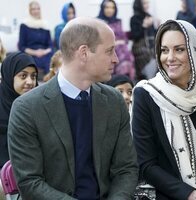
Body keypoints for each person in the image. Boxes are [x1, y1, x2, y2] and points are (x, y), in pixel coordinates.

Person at [8, 17, 138, 200]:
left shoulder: (114, 101)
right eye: (109, 51)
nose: (116, 59)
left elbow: (126, 168)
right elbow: (30, 182)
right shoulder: (26, 109)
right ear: (84, 53)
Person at [132, 19, 196, 200]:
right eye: (164, 50)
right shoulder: (146, 94)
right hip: (170, 195)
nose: (169, 58)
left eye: (179, 49)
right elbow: (146, 164)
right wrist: (190, 194)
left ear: (194, 52)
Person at [0, 51, 38, 169]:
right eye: (23, 76)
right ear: (9, 76)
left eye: (34, 76)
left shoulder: (39, 105)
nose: (30, 82)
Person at [98, 0, 135, 80]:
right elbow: (99, 39)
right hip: (106, 49)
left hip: (121, 49)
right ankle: (117, 81)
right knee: (121, 55)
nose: (110, 10)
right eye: (107, 7)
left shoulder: (118, 21)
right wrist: (115, 43)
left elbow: (124, 38)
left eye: (112, 8)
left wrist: (121, 42)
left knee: (127, 56)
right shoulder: (98, 22)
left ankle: (125, 81)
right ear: (102, 8)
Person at [18, 1, 53, 77]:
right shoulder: (24, 25)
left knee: (52, 59)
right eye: (33, 9)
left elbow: (50, 45)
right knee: (30, 61)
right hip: (31, 53)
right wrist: (35, 52)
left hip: (45, 53)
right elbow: (21, 46)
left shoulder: (45, 25)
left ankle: (50, 83)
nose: (36, 11)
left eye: (38, 9)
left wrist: (43, 52)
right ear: (29, 11)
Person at [130, 0, 157, 81]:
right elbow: (135, 36)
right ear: (139, 5)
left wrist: (157, 26)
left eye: (147, 3)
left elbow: (153, 35)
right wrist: (144, 25)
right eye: (144, 3)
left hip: (151, 45)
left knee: (159, 53)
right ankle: (149, 79)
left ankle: (154, 80)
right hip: (140, 46)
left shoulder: (149, 16)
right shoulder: (134, 19)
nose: (147, 5)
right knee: (148, 54)